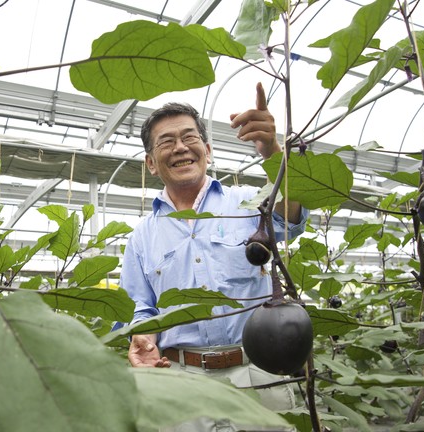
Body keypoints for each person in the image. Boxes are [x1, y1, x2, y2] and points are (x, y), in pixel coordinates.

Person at [119, 83, 309, 431]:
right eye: (166, 142)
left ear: (207, 149)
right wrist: (142, 338)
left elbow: (290, 217)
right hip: (181, 383)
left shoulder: (248, 202)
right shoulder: (141, 237)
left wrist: (272, 152)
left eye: (189, 138)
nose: (180, 148)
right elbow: (139, 309)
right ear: (150, 163)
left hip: (259, 375)